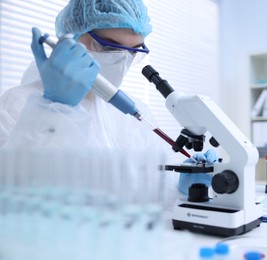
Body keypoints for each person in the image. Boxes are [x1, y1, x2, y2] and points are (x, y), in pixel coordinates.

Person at [0, 0, 214, 198]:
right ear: (71, 37)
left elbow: (148, 188)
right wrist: (54, 110)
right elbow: (14, 192)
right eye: (109, 46)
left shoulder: (134, 111)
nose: (121, 61)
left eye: (132, 52)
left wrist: (179, 185)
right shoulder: (18, 104)